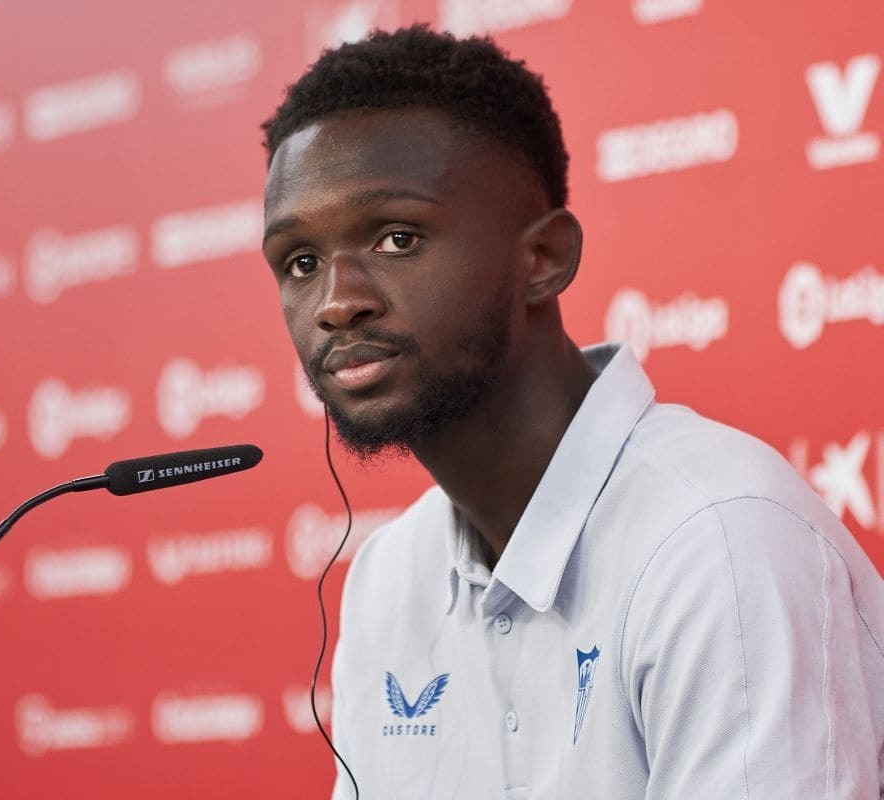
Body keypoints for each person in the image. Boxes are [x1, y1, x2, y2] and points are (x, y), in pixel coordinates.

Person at [258, 25, 884, 798]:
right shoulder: (389, 577)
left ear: (544, 259)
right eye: (301, 262)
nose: (336, 303)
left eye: (397, 238)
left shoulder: (719, 539)